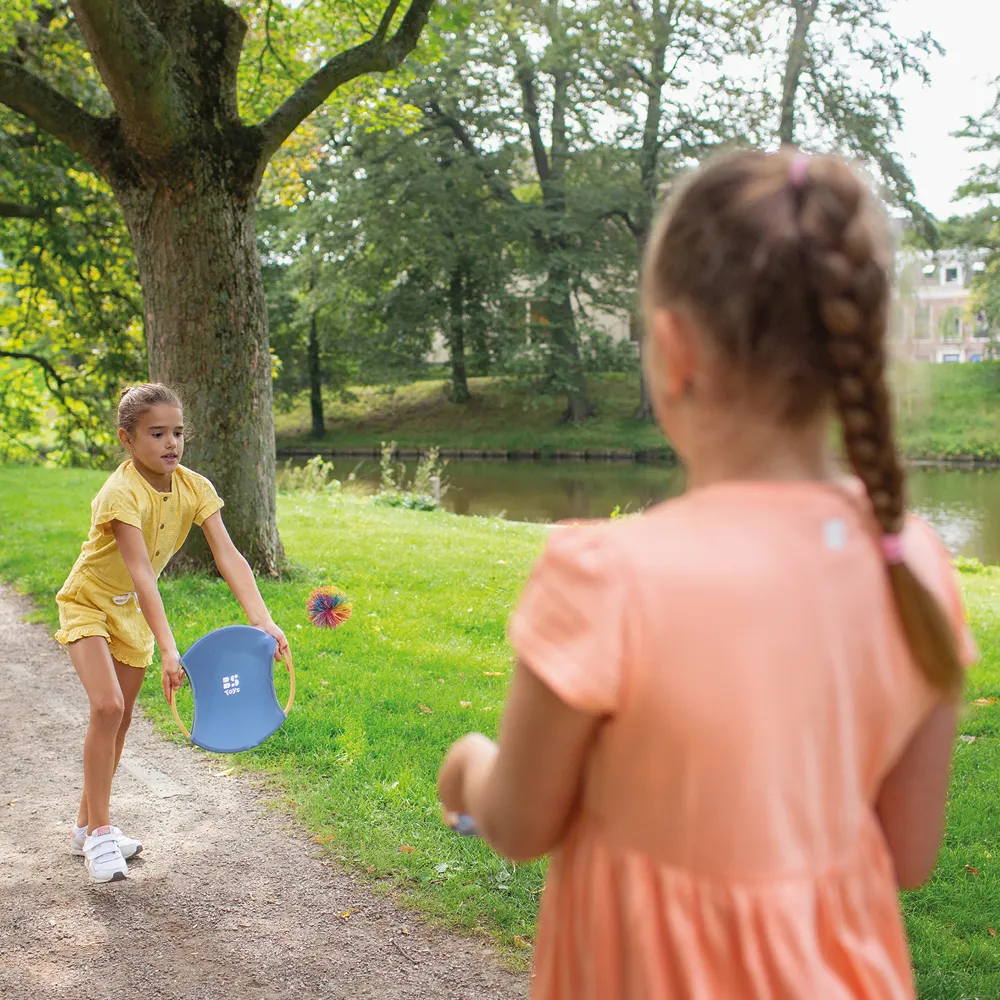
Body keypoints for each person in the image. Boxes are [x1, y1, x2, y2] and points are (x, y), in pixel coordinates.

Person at [437, 150, 977, 999]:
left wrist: (468, 765)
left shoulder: (608, 578)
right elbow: (908, 854)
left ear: (674, 347)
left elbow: (519, 823)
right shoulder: (915, 563)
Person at [56, 383, 290, 884]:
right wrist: (169, 649)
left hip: (130, 615)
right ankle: (100, 834)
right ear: (127, 438)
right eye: (157, 433)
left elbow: (228, 556)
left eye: (178, 433)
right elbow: (142, 574)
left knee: (120, 723)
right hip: (89, 601)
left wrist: (263, 620)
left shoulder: (195, 487)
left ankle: (84, 827)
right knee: (107, 707)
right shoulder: (120, 493)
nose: (171, 443)